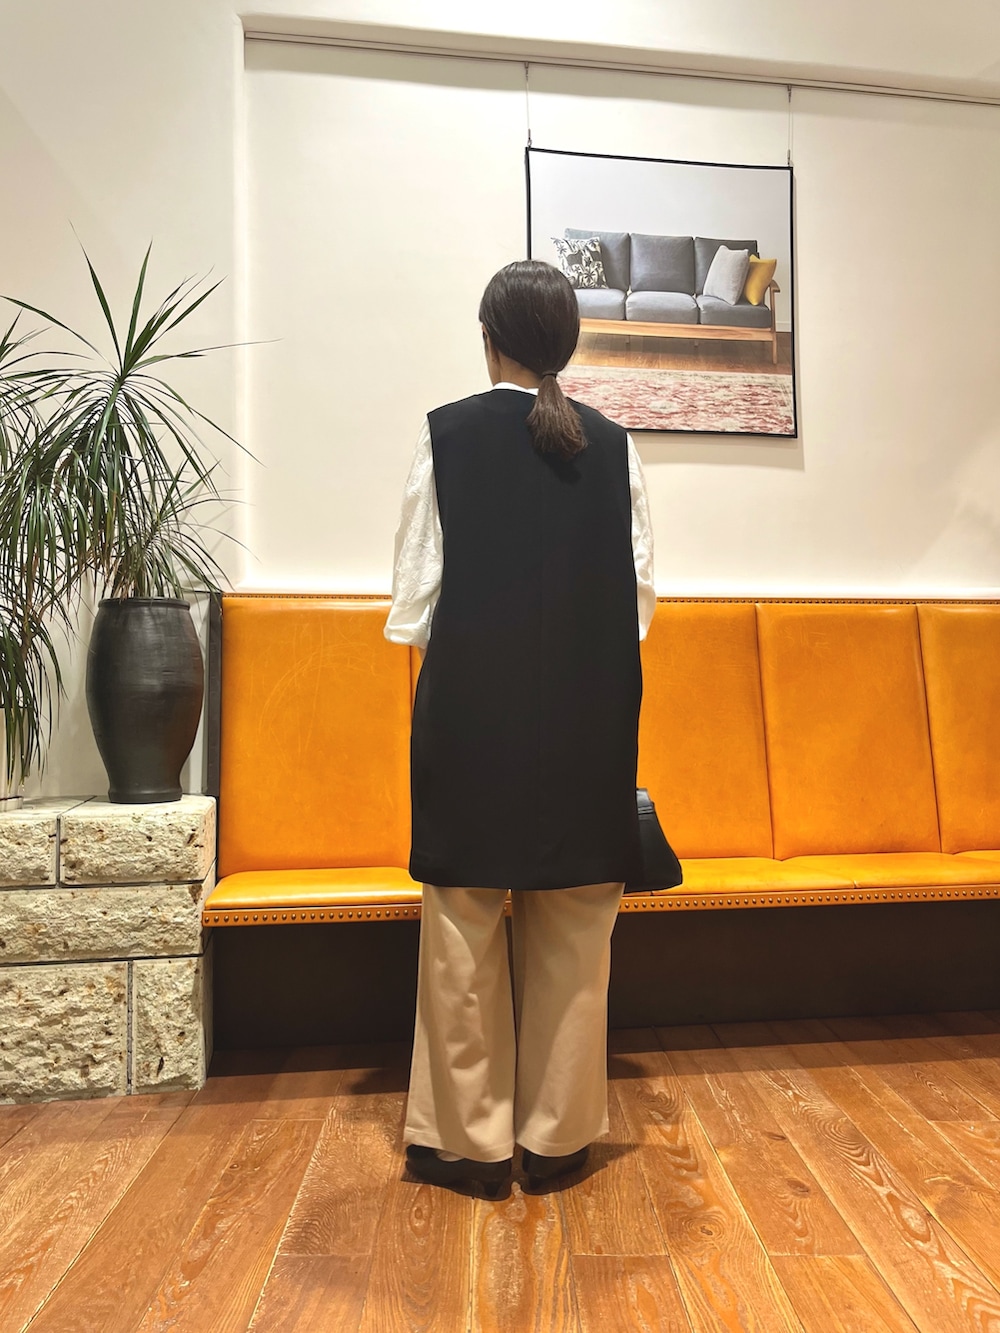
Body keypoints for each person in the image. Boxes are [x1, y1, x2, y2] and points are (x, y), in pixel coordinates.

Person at [384, 259, 655, 1195]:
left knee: (462, 922)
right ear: (565, 345)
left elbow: (414, 606)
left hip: (472, 714)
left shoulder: (445, 436)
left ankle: (470, 1145)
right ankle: (557, 1138)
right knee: (577, 927)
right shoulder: (617, 447)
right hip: (590, 715)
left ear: (488, 337)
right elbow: (638, 605)